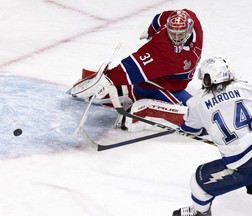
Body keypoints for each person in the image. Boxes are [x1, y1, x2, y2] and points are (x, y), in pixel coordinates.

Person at [173, 57, 252, 216]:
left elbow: (190, 128)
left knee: (198, 183)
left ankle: (199, 213)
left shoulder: (196, 103)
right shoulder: (242, 87)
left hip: (244, 165)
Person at [69, 9, 203, 131]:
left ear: (190, 28)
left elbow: (162, 17)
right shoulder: (164, 52)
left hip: (168, 80)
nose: (175, 38)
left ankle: (126, 90)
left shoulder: (193, 21)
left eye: (180, 34)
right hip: (163, 83)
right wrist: (109, 79)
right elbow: (133, 67)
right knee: (194, 116)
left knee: (198, 112)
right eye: (172, 33)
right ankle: (142, 111)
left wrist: (151, 30)